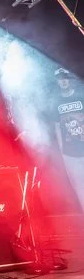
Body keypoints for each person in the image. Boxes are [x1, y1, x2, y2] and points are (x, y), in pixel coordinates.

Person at [52, 67, 84, 212]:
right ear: (57, 82)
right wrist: (62, 150)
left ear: (69, 80)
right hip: (70, 152)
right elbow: (57, 127)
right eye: (60, 79)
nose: (63, 81)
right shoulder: (56, 102)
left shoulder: (80, 97)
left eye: (65, 78)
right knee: (79, 186)